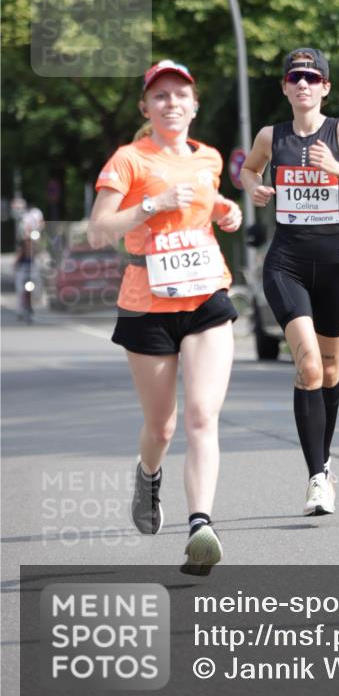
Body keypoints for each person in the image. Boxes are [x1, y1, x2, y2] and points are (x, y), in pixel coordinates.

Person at [88, 59, 243, 567]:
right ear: (146, 107)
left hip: (205, 296)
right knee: (163, 427)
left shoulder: (211, 158)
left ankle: (201, 525)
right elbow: (98, 230)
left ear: (194, 106)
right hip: (146, 305)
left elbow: (205, 198)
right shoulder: (129, 160)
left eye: (180, 95)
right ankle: (148, 475)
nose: (171, 103)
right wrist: (151, 206)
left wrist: (225, 210)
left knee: (203, 416)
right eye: (161, 96)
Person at [240, 47, 339, 515]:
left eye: (311, 77)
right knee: (307, 366)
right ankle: (317, 479)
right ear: (285, 87)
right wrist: (255, 188)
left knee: (329, 371)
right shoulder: (272, 136)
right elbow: (246, 169)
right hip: (286, 263)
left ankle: (323, 464)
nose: (302, 84)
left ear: (325, 86)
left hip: (336, 268)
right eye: (294, 77)